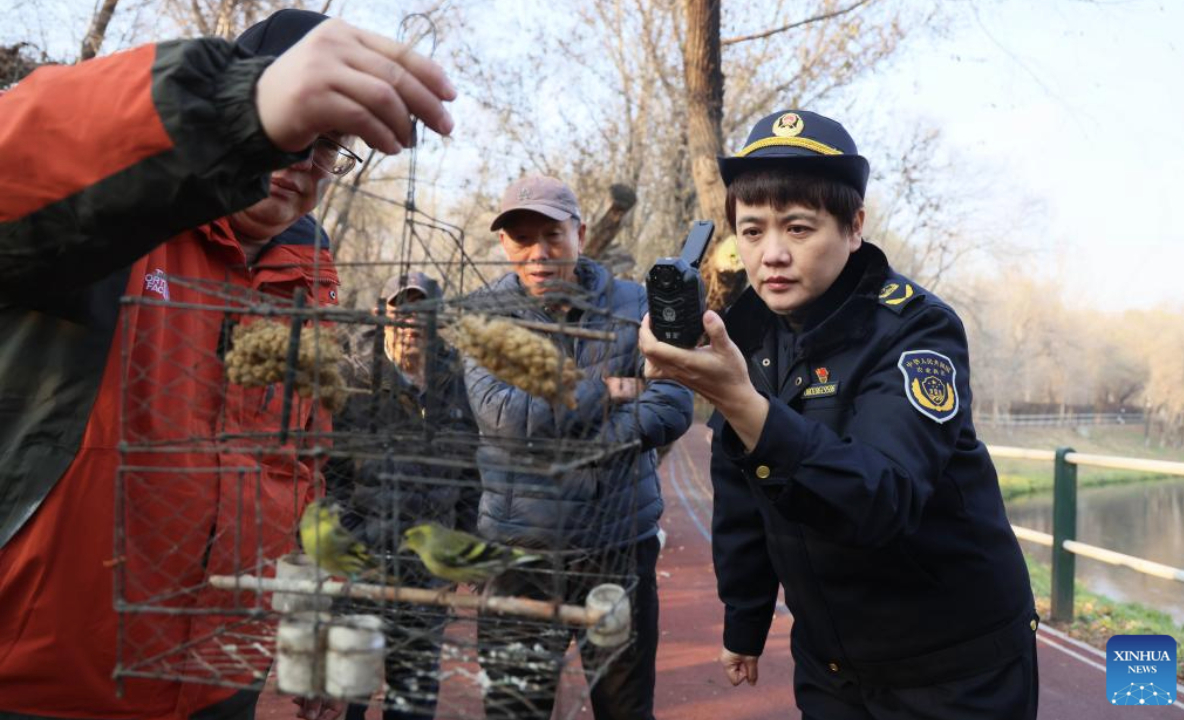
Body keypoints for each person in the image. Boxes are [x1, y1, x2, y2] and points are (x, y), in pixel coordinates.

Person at [0, 8, 454, 720]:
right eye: (295, 133)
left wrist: (303, 628)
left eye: (329, 147)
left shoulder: (309, 280)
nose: (304, 163)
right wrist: (229, 111)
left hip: (218, 679)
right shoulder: (122, 215)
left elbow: (296, 470)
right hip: (48, 678)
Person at [638, 110, 1038, 719]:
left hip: (955, 666)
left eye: (798, 229)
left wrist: (742, 400)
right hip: (830, 665)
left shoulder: (916, 330)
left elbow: (884, 498)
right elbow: (741, 491)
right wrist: (744, 620)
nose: (771, 254)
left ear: (854, 227)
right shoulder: (743, 332)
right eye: (751, 232)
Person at [464, 176, 693, 720]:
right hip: (519, 554)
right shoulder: (481, 316)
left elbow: (674, 402)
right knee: (513, 708)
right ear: (503, 244)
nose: (539, 254)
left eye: (552, 234)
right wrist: (614, 389)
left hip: (618, 546)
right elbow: (503, 416)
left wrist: (588, 444)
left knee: (625, 708)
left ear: (580, 233)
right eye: (521, 238)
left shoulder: (636, 303)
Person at [326, 271, 480, 720]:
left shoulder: (459, 380)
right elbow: (327, 473)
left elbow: (473, 476)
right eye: (401, 308)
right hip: (362, 568)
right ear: (382, 313)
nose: (411, 321)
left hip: (427, 575)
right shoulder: (352, 377)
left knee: (413, 698)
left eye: (423, 311)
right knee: (345, 692)